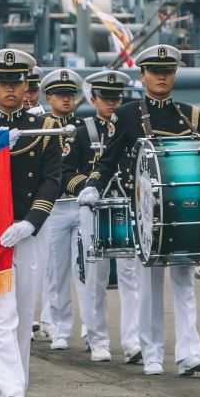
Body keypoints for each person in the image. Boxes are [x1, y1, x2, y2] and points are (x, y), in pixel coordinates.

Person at [76, 45, 200, 378]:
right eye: (155, 71)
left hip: (182, 211)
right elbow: (108, 159)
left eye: (168, 71)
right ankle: (152, 354)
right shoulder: (126, 115)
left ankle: (189, 353)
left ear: (175, 74)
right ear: (143, 75)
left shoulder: (191, 115)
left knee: (184, 282)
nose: (162, 77)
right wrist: (93, 185)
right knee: (149, 285)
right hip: (145, 211)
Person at [0, 49, 61, 397]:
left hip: (28, 230)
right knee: (2, 316)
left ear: (26, 86)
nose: (9, 89)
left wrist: (31, 221)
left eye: (16, 82)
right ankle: (12, 392)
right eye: (2, 82)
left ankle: (10, 389)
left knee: (24, 318)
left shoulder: (45, 128)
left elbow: (52, 180)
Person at [73, 70, 136, 363]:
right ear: (93, 99)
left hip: (126, 204)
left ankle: (133, 339)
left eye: (116, 98)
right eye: (105, 97)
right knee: (95, 277)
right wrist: (85, 187)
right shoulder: (82, 131)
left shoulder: (130, 126)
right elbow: (67, 170)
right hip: (94, 207)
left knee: (131, 276)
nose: (111, 103)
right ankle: (98, 339)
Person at [34, 68, 89, 354]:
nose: (66, 99)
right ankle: (58, 328)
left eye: (70, 94)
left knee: (85, 271)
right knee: (56, 272)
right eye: (59, 95)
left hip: (80, 203)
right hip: (54, 206)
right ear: (48, 97)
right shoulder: (41, 127)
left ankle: (90, 328)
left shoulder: (84, 127)